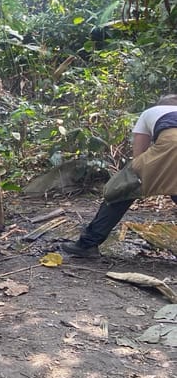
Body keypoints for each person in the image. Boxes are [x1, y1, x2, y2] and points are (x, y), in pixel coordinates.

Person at [63, 93, 177, 257]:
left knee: (121, 190)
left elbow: (138, 156)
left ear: (159, 105)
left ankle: (88, 244)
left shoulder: (151, 112)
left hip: (171, 145)